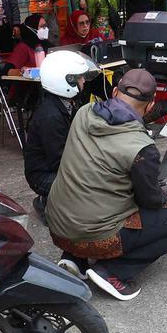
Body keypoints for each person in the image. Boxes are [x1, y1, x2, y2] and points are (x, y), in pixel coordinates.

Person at [46, 70, 167, 301]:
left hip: (57, 226)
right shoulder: (142, 148)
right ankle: (112, 272)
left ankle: (74, 258)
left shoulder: (84, 113)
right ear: (149, 106)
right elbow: (151, 200)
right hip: (95, 236)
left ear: (115, 92)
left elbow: (126, 115)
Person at [23, 50, 100, 218]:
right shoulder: (51, 116)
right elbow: (60, 160)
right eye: (79, 77)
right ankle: (48, 204)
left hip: (56, 166)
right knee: (95, 191)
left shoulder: (65, 104)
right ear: (66, 80)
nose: (83, 81)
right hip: (43, 175)